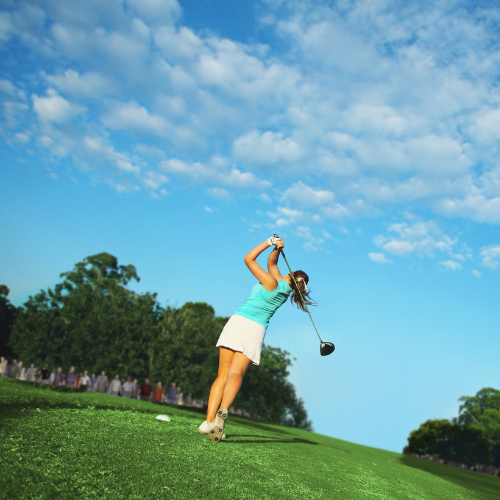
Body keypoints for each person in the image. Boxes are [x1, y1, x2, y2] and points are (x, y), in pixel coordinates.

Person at [199, 236, 313, 442]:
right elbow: (272, 263)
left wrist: (269, 242)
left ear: (289, 275)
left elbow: (248, 259)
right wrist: (277, 249)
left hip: (238, 323)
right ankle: (223, 411)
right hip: (256, 330)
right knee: (236, 373)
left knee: (222, 374)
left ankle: (208, 422)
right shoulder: (284, 290)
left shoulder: (271, 282)